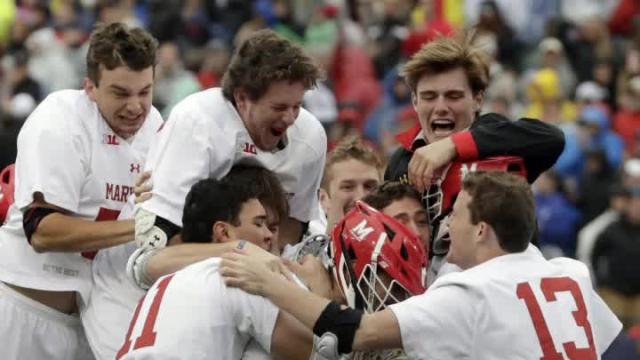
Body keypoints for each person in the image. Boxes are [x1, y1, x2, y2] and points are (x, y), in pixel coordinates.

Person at [221, 171, 622, 359]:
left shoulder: (470, 291)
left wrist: (269, 284)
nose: (447, 223)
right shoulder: (569, 272)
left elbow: (355, 332)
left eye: (458, 214)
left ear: (481, 230)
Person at [119, 182, 427, 360]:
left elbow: (143, 265)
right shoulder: (259, 273)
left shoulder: (210, 264)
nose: (269, 236)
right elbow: (319, 354)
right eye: (259, 224)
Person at [0, 23, 161, 360]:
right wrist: (140, 226)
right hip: (25, 309)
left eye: (144, 92)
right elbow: (42, 232)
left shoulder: (155, 126)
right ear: (90, 87)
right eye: (120, 93)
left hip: (94, 322)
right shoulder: (60, 118)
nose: (135, 107)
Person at [383, 36, 564, 279]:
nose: (441, 107)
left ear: (477, 99)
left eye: (453, 96)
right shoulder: (401, 161)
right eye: (429, 96)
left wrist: (453, 145)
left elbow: (552, 139)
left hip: (505, 289)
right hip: (435, 298)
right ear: (414, 101)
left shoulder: (494, 134)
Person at [134, 29, 326, 256]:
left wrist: (264, 267)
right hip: (194, 264)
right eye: (279, 107)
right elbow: (161, 235)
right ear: (242, 98)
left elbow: (296, 224)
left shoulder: (310, 137)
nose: (290, 118)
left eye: (297, 106)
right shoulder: (197, 122)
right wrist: (237, 257)